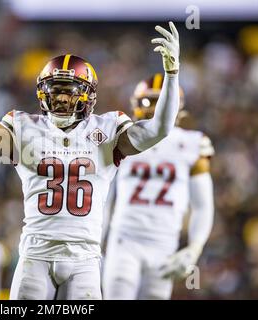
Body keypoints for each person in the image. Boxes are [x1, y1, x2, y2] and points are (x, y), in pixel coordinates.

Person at [0, 18, 181, 300]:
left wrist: (172, 74)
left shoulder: (107, 129)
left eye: (70, 90)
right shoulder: (24, 127)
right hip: (35, 255)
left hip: (85, 259)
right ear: (43, 92)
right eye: (55, 89)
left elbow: (159, 129)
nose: (61, 98)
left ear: (88, 95)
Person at [102, 74, 215, 299]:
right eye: (148, 101)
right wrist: (96, 241)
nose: (155, 109)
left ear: (176, 106)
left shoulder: (192, 144)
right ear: (135, 105)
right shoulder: (122, 139)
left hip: (164, 242)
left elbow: (202, 205)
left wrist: (195, 248)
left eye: (160, 101)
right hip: (125, 238)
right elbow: (104, 199)